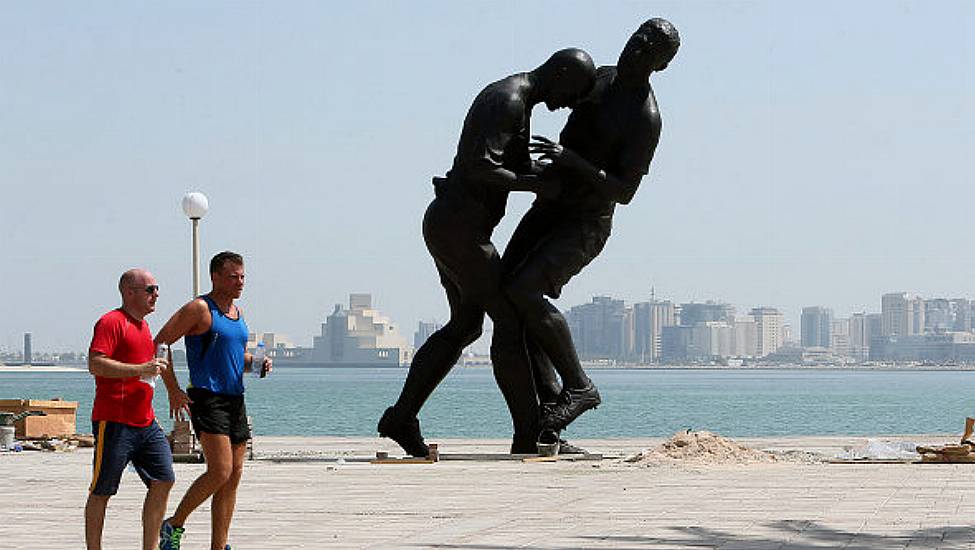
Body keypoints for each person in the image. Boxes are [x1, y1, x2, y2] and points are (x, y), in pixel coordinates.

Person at [378, 48, 597, 456]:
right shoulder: (509, 100)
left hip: (454, 226)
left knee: (465, 326)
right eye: (575, 91)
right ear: (561, 72)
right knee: (511, 320)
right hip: (459, 230)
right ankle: (529, 434)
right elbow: (480, 167)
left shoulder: (520, 102)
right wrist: (538, 186)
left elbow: (507, 164)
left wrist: (561, 170)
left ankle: (402, 417)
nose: (572, 103)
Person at [502, 18, 680, 437]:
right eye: (637, 37)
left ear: (661, 65)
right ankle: (546, 422)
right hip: (551, 205)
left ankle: (579, 386)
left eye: (649, 47)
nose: (636, 47)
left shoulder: (645, 118)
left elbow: (624, 191)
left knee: (524, 290)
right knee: (509, 298)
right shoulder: (600, 76)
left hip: (585, 222)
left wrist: (571, 161)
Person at [155, 251, 271, 550]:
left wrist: (255, 363)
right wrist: (173, 388)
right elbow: (161, 342)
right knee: (219, 470)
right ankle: (174, 524)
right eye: (233, 276)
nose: (240, 282)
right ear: (215, 277)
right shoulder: (199, 308)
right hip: (207, 396)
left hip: (235, 398)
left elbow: (232, 356)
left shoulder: (238, 313)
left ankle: (219, 546)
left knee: (233, 476)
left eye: (243, 276)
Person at [85, 269, 173, 550]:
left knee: (164, 480)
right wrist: (140, 369)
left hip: (145, 422)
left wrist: (170, 389)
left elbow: (146, 376)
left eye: (157, 289)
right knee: (103, 490)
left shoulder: (145, 328)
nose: (156, 294)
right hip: (114, 421)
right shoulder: (111, 322)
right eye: (150, 289)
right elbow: (96, 364)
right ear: (129, 292)